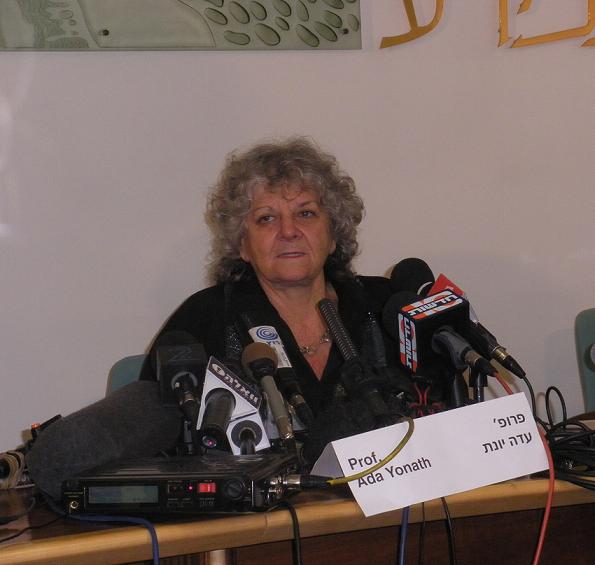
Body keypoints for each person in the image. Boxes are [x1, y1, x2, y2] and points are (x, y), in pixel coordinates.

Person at [141, 137, 409, 460]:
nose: (289, 231)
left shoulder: (384, 307)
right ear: (242, 246)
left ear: (334, 235)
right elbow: (155, 447)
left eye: (306, 213)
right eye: (267, 218)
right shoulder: (203, 320)